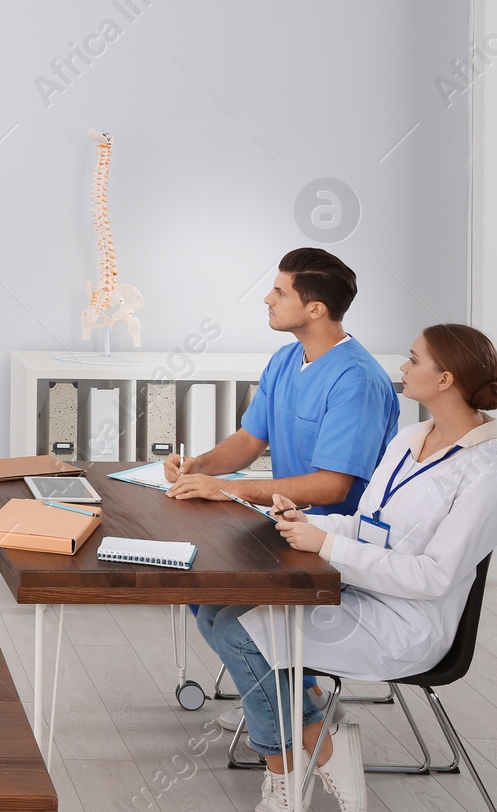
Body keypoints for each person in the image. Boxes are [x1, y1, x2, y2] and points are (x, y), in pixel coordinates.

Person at [197, 324, 497, 812]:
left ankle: (294, 766)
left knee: (239, 630)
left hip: (406, 624)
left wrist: (327, 547)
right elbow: (371, 526)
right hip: (359, 589)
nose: (402, 367)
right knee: (218, 610)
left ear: (445, 378)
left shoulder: (487, 476)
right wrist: (310, 522)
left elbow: (434, 577)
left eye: (414, 360)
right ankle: (319, 734)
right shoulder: (412, 439)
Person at [165, 248, 400, 730]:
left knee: (220, 600)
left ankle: (298, 709)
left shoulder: (356, 380)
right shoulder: (286, 358)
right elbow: (251, 439)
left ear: (315, 309)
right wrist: (199, 466)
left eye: (280, 291)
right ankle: (283, 693)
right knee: (195, 582)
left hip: (333, 540)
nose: (267, 299)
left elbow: (333, 487)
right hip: (284, 527)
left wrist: (227, 492)